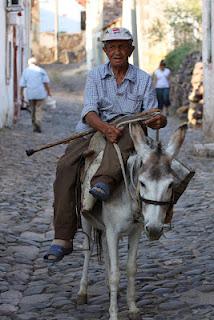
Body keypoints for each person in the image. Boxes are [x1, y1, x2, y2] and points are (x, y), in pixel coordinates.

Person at [44, 27, 167, 262]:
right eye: (112, 47)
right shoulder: (95, 76)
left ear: (130, 49)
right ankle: (62, 236)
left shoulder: (142, 78)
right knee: (65, 166)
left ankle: (111, 185)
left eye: (122, 46)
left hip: (132, 129)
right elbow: (89, 110)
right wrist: (105, 128)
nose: (117, 51)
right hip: (95, 128)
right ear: (105, 51)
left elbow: (153, 113)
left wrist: (159, 119)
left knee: (168, 170)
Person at [20, 57, 51, 133]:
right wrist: (49, 92)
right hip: (40, 94)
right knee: (39, 109)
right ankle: (38, 122)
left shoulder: (26, 71)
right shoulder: (41, 70)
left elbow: (22, 84)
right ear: (36, 63)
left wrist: (21, 94)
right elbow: (46, 82)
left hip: (30, 94)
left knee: (32, 110)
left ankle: (34, 126)